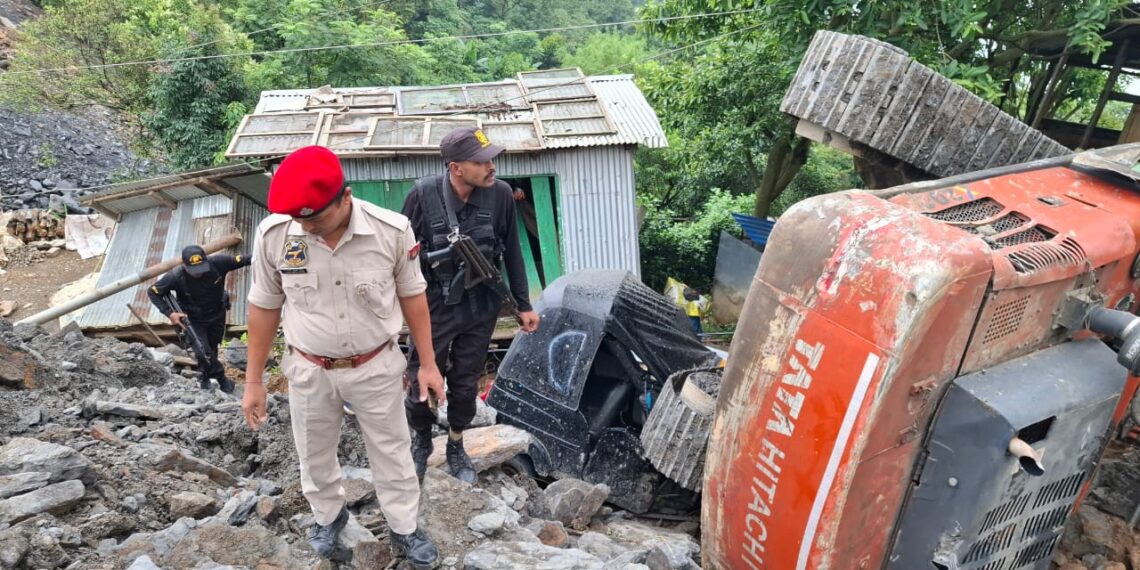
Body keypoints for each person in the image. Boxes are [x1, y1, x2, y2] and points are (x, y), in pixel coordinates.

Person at [240, 145, 443, 568]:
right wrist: (254, 381)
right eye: (300, 219)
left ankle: (404, 526)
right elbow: (263, 307)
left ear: (345, 197)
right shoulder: (275, 235)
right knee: (313, 452)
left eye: (316, 218)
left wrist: (427, 364)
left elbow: (414, 297)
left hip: (375, 365)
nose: (306, 226)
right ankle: (328, 517)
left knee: (392, 450)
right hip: (309, 367)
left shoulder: (391, 231)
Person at [401, 127, 540, 484]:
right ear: (456, 168)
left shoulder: (502, 195)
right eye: (481, 162)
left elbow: (513, 251)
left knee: (465, 385)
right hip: (432, 306)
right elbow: (400, 257)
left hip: (481, 306)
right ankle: (421, 440)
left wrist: (523, 304)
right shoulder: (423, 195)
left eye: (491, 159)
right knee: (421, 380)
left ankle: (456, 442)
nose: (491, 167)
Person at [148, 244, 251, 393]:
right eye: (194, 270)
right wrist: (170, 313)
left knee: (212, 347)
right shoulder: (175, 276)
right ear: (184, 265)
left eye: (201, 268)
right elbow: (153, 292)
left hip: (217, 314)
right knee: (203, 350)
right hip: (193, 320)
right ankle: (222, 379)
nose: (199, 274)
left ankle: (204, 376)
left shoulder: (219, 263)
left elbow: (247, 259)